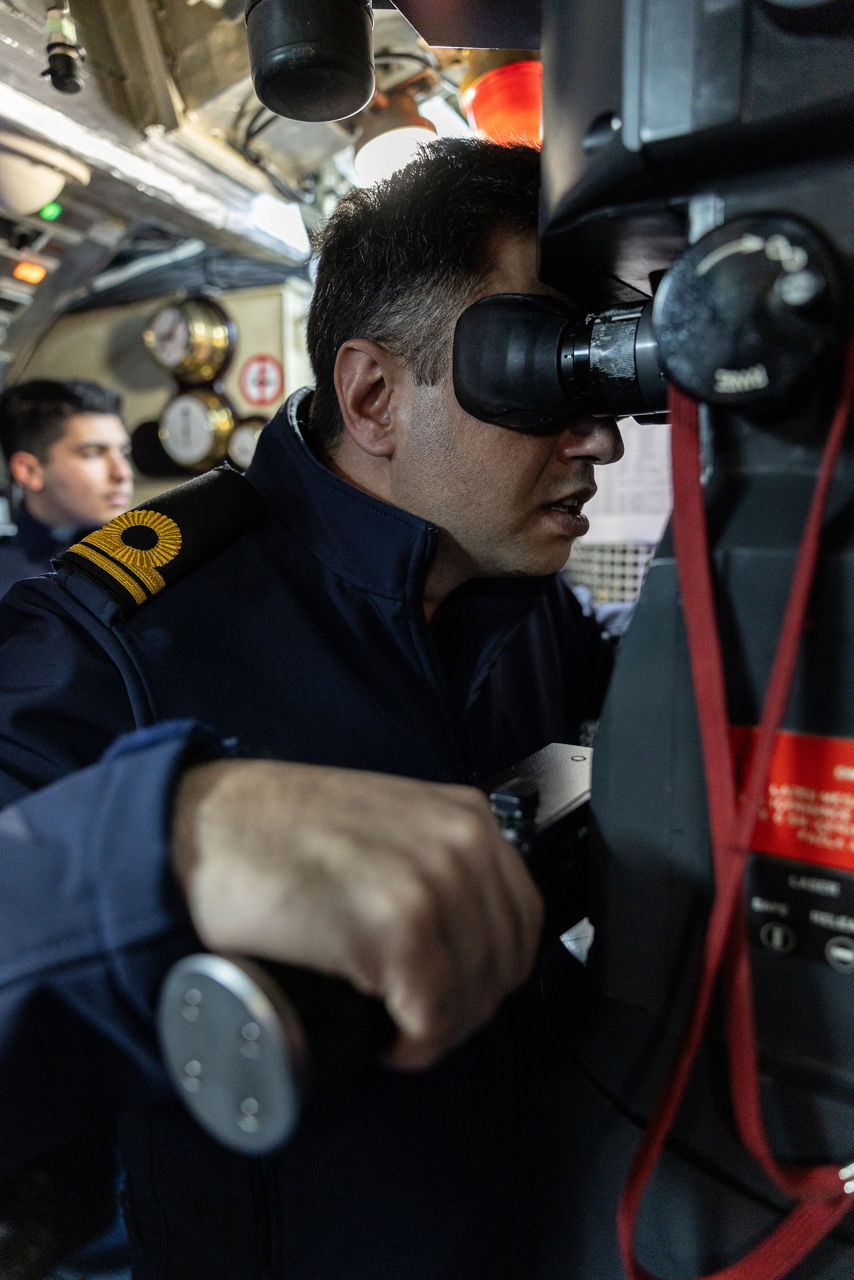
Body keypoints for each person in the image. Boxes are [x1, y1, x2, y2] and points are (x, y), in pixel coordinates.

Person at [0, 138, 622, 1280]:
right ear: (375, 395)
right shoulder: (125, 632)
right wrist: (165, 840)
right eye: (542, 375)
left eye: (598, 382)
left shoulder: (517, 597)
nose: (600, 440)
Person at [0, 378, 133, 598]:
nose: (122, 473)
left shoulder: (153, 567)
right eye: (92, 453)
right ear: (28, 471)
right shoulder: (8, 584)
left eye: (123, 453)